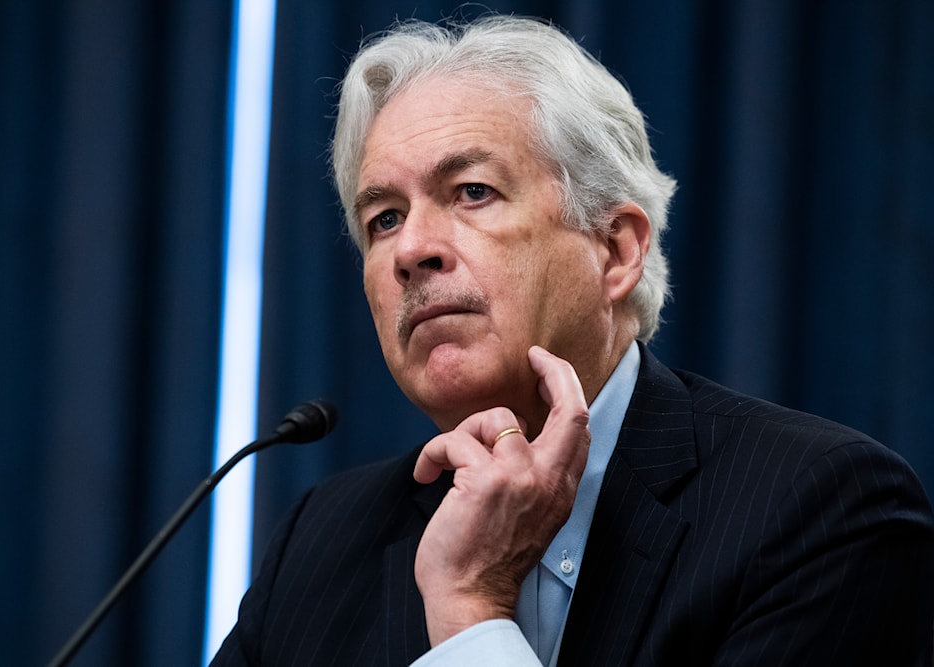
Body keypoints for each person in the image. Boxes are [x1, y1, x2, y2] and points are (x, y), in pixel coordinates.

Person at [211, 15, 934, 666]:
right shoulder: (320, 543)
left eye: (471, 191)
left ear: (617, 251)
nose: (411, 250)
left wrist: (470, 608)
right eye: (385, 218)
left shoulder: (819, 511)